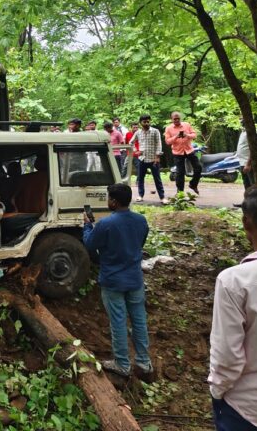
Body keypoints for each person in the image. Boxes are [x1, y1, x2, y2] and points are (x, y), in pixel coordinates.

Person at [208, 187, 257, 430]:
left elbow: (227, 357)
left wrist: (217, 391)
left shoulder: (234, 281)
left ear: (246, 222)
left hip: (247, 409)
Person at [83, 183, 153, 378]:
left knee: (118, 322)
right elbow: (140, 243)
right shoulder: (141, 220)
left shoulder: (106, 224)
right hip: (135, 279)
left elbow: (90, 244)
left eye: (108, 198)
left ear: (113, 201)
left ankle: (122, 364)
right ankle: (144, 363)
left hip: (113, 280)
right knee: (139, 320)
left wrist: (87, 225)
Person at [129, 114, 166, 204]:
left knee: (157, 179)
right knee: (140, 178)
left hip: (153, 159)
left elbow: (159, 144)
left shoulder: (155, 131)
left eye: (148, 121)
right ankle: (140, 195)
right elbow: (131, 142)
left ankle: (162, 197)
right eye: (144, 122)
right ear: (140, 123)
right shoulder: (138, 132)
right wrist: (136, 151)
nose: (146, 123)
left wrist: (157, 157)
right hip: (142, 159)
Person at [164, 112, 201, 195]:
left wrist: (187, 135)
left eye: (178, 119)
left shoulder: (186, 125)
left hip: (189, 150)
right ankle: (180, 192)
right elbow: (167, 141)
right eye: (175, 119)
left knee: (198, 167)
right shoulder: (168, 128)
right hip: (177, 152)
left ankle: (193, 184)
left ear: (180, 118)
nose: (177, 120)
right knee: (180, 172)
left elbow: (194, 135)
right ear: (171, 119)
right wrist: (176, 136)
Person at [235, 122, 254, 189]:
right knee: (247, 185)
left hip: (249, 163)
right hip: (242, 163)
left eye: (242, 118)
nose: (240, 120)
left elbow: (254, 149)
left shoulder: (252, 132)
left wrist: (248, 164)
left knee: (252, 186)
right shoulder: (243, 132)